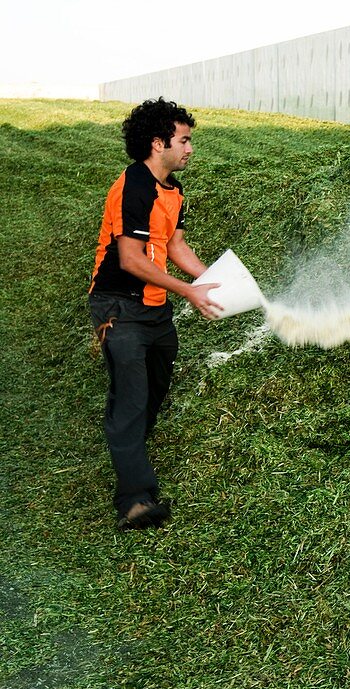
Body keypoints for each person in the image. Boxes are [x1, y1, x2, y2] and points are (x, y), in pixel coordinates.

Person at [88, 97, 222, 531]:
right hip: (118, 306)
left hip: (155, 310)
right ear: (157, 141)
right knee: (130, 398)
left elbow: (176, 247)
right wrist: (188, 291)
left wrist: (220, 284)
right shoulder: (134, 185)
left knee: (152, 391)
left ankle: (129, 459)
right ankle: (135, 499)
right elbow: (130, 258)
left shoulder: (174, 190)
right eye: (183, 140)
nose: (189, 149)